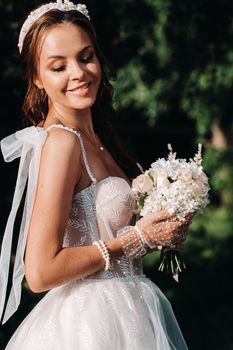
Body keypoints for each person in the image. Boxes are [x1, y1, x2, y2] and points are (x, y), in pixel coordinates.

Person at [0, 1, 191, 349]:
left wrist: (162, 230)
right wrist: (135, 240)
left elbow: (105, 235)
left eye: (85, 57)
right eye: (58, 67)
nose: (79, 73)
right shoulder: (61, 143)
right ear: (37, 78)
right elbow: (41, 272)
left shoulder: (101, 137)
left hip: (134, 311)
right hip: (88, 324)